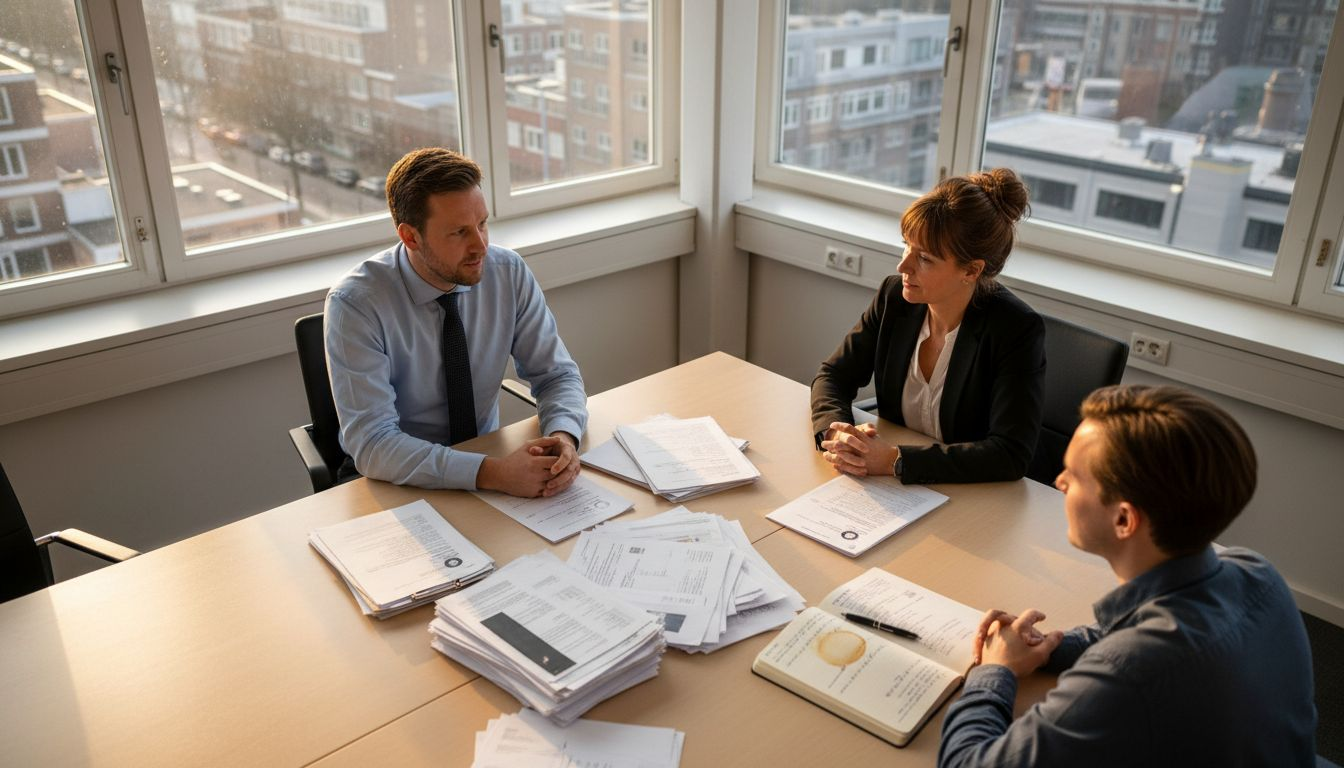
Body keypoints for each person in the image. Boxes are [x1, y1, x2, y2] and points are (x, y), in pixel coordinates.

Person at [938, 385, 1317, 767]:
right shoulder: (1257, 572)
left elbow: (964, 763)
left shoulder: (1127, 674)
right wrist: (1047, 644)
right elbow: (1131, 632)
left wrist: (995, 671)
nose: (1059, 481)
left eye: (1075, 475)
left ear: (1123, 519)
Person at [324, 148, 587, 497]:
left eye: (482, 224)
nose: (481, 246)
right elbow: (373, 443)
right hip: (395, 478)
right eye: (459, 232)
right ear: (410, 237)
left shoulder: (507, 273)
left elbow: (557, 375)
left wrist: (563, 436)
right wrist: (492, 473)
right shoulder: (355, 305)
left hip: (485, 456)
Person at [811, 168, 1044, 484]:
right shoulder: (894, 297)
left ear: (971, 271)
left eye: (925, 259)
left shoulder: (1015, 329)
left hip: (972, 493)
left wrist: (895, 460)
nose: (903, 266)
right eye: (906, 245)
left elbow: (1010, 454)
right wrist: (837, 432)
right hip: (893, 489)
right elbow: (834, 375)